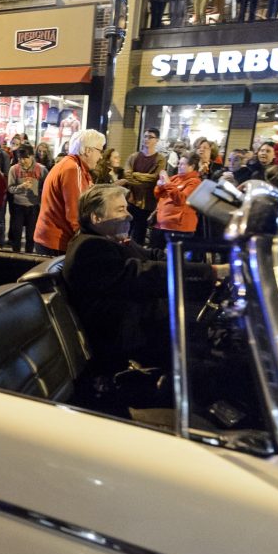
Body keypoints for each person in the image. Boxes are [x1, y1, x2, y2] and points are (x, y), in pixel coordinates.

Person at [62, 184, 217, 379]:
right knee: (212, 363)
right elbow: (144, 274)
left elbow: (151, 255)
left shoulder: (112, 238)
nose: (130, 215)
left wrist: (188, 266)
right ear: (96, 218)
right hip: (129, 339)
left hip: (145, 323)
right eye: (120, 209)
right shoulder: (89, 247)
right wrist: (211, 272)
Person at [33, 129, 103, 255]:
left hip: (50, 239)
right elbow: (76, 211)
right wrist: (87, 242)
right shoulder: (73, 169)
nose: (101, 156)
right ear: (88, 150)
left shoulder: (71, 165)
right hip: (57, 242)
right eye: (100, 150)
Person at [121, 127, 167, 245]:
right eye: (145, 136)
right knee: (125, 231)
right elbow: (127, 176)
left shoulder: (160, 159)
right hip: (132, 200)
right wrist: (141, 179)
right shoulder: (134, 157)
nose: (147, 139)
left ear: (157, 140)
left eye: (150, 137)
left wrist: (135, 175)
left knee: (139, 235)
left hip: (148, 203)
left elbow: (154, 179)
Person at [153, 155, 201, 245]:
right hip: (162, 224)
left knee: (173, 257)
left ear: (192, 166)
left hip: (179, 228)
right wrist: (159, 185)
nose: (178, 166)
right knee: (154, 254)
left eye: (182, 164)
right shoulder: (175, 178)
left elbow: (181, 200)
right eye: (179, 163)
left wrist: (167, 183)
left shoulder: (195, 182)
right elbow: (158, 195)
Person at [7, 144, 46, 253]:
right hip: (18, 206)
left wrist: (38, 194)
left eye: (25, 158)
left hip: (33, 207)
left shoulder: (41, 169)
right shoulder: (14, 169)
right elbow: (10, 189)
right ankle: (15, 257)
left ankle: (28, 256)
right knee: (16, 234)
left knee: (31, 235)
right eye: (20, 158)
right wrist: (21, 187)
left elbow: (46, 187)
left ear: (32, 156)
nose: (22, 161)